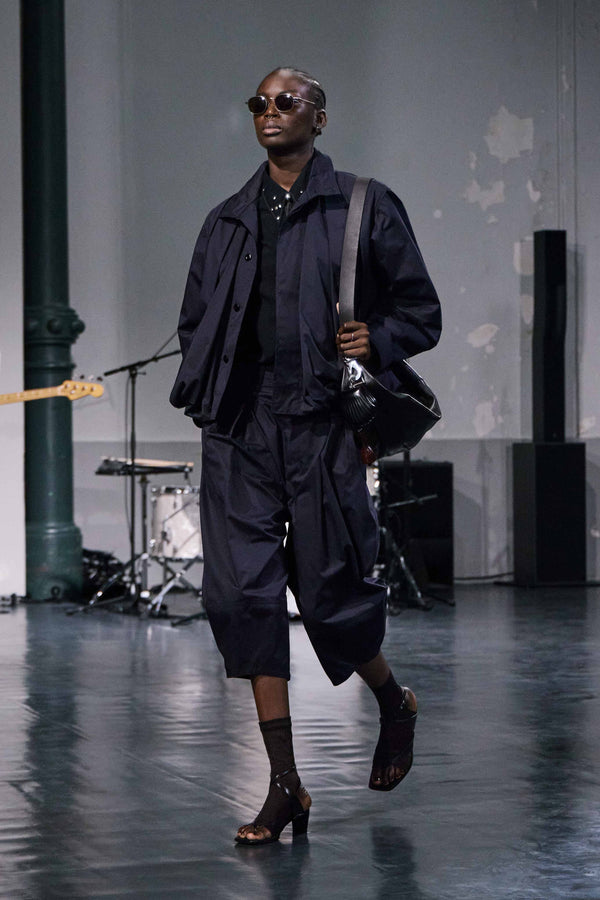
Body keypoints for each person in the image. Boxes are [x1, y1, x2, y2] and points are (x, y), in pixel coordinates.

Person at [170, 66, 441, 845]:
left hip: (321, 424)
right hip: (239, 428)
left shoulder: (362, 206)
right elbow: (195, 322)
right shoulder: (226, 220)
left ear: (318, 118)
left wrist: (375, 339)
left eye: (286, 102)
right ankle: (285, 784)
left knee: (330, 596)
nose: (269, 112)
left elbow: (421, 310)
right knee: (242, 598)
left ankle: (393, 701)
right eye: (259, 103)